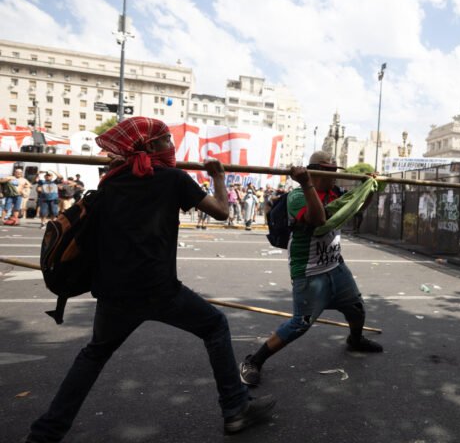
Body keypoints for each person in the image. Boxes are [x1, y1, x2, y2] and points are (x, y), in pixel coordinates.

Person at [25, 117, 275, 443]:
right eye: (167, 139)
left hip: (114, 293)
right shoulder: (173, 179)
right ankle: (235, 409)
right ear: (152, 145)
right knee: (215, 326)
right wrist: (218, 177)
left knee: (93, 355)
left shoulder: (111, 182)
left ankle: (45, 433)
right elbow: (222, 211)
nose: (172, 145)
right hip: (159, 290)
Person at [239, 151, 382, 387]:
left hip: (335, 265)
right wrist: (306, 184)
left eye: (335, 171)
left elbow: (356, 208)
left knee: (356, 308)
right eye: (329, 171)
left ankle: (355, 340)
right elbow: (318, 220)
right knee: (300, 323)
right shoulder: (297, 196)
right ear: (315, 171)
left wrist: (369, 188)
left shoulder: (336, 193)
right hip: (309, 270)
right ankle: (254, 360)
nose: (334, 176)